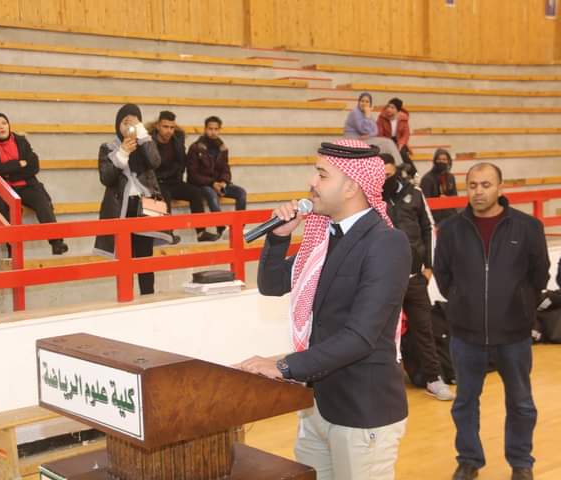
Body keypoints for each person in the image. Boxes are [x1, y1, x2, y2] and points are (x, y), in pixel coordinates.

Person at [235, 139, 412, 480]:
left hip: (362, 412)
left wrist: (284, 366)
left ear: (351, 186)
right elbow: (273, 285)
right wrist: (279, 238)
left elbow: (360, 337)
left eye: (322, 174)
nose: (312, 182)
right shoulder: (324, 238)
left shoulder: (385, 243)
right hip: (317, 406)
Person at [434, 163, 550, 480]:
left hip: (514, 335)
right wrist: (462, 301)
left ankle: (521, 463)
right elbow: (443, 276)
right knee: (464, 403)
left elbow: (539, 276)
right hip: (465, 335)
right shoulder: (451, 230)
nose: (478, 191)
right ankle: (469, 460)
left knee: (521, 403)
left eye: (486, 185)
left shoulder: (527, 227)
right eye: (472, 185)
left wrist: (519, 305)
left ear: (500, 187)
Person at [381, 154, 454, 401]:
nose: (385, 179)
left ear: (396, 172)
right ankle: (386, 383)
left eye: (389, 174)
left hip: (414, 277)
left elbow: (428, 228)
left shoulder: (415, 193)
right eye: (381, 175)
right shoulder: (369, 198)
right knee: (383, 333)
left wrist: (429, 267)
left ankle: (434, 378)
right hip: (383, 280)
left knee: (424, 329)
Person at [93, 103, 173, 295]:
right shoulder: (107, 148)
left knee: (145, 258)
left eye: (133, 122)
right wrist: (122, 154)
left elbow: (155, 162)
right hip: (121, 207)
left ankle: (148, 296)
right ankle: (125, 297)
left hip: (147, 204)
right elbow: (106, 178)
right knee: (124, 259)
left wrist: (142, 133)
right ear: (117, 125)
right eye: (125, 122)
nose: (128, 127)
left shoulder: (145, 143)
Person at [0, 112, 68, 255]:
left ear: (9, 125)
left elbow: (34, 165)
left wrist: (9, 173)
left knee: (42, 201)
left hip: (25, 185)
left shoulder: (21, 141)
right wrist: (19, 164)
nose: (1, 127)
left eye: (4, 123)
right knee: (8, 211)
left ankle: (56, 242)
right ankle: (12, 251)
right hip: (0, 188)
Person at [149, 110, 218, 242]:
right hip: (157, 182)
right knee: (164, 196)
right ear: (158, 126)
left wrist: (176, 174)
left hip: (174, 181)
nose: (169, 131)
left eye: (172, 127)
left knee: (196, 193)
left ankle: (201, 232)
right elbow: (150, 168)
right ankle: (168, 234)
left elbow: (182, 162)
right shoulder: (150, 142)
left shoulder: (177, 140)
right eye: (165, 127)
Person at [187, 116, 247, 237]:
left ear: (219, 130)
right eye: (210, 129)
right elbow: (193, 174)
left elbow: (226, 168)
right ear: (205, 129)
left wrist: (224, 182)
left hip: (219, 183)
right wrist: (212, 183)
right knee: (211, 193)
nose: (213, 132)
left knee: (241, 193)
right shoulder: (195, 147)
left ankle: (238, 227)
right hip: (202, 185)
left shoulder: (223, 148)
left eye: (216, 129)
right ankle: (221, 228)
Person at [343, 92, 403, 167]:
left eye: (367, 102)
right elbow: (363, 130)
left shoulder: (367, 113)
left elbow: (375, 131)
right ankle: (398, 165)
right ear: (359, 102)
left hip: (364, 139)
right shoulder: (355, 113)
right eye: (362, 101)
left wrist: (369, 135)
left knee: (388, 143)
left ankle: (398, 165)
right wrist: (367, 117)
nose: (364, 103)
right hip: (353, 141)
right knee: (387, 143)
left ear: (370, 104)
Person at [377, 98, 416, 177]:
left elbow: (406, 134)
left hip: (398, 140)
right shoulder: (381, 118)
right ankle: (400, 174)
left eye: (392, 108)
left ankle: (413, 174)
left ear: (397, 111)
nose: (389, 109)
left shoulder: (403, 119)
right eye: (388, 106)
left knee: (402, 152)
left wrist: (401, 143)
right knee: (392, 155)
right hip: (386, 140)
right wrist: (388, 144)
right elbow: (379, 134)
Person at [421, 148, 458, 224]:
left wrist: (447, 199)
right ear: (435, 161)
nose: (441, 162)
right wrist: (438, 200)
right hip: (434, 216)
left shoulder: (450, 177)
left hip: (450, 214)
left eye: (444, 160)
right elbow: (424, 202)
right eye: (439, 159)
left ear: (448, 161)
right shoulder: (427, 179)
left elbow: (455, 196)